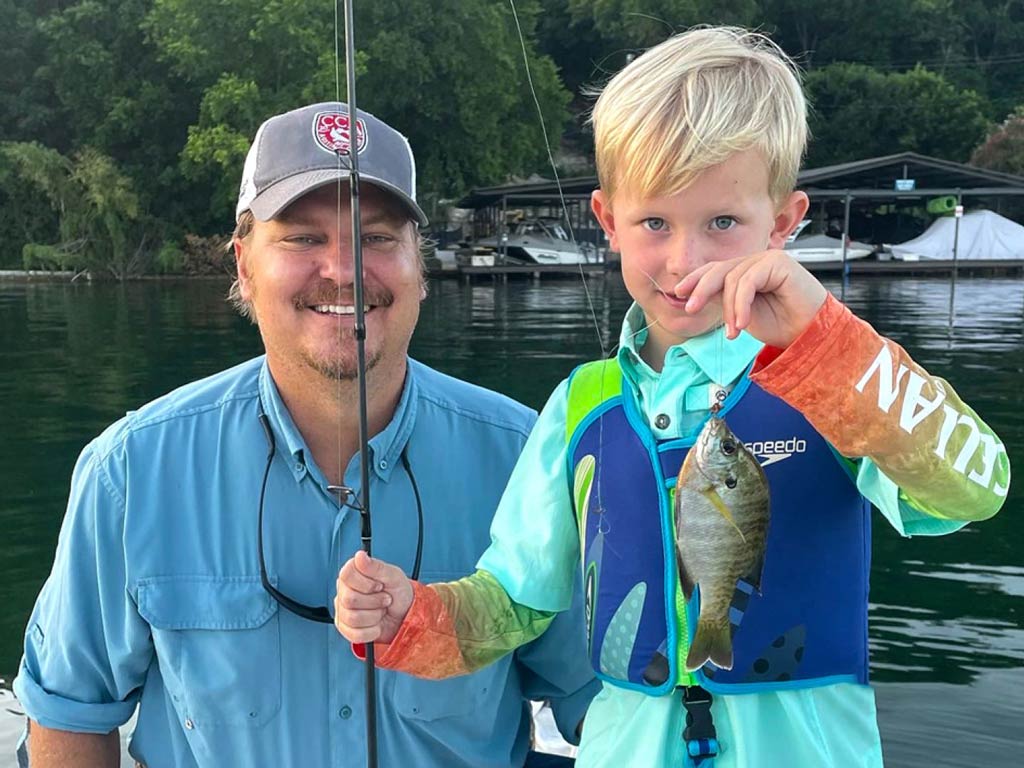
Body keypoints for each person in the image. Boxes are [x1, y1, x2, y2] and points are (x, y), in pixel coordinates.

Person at [333, 28, 1011, 768]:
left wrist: (829, 341)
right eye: (654, 222)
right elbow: (513, 603)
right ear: (607, 222)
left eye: (723, 222)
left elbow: (977, 489)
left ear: (783, 222)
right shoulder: (581, 404)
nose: (685, 260)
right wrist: (412, 616)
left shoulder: (839, 378)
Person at [13, 102, 598, 768]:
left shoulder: (535, 462)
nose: (344, 270)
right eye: (301, 238)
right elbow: (68, 713)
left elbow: (613, 703)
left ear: (419, 265)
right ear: (244, 264)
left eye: (377, 237)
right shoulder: (128, 471)